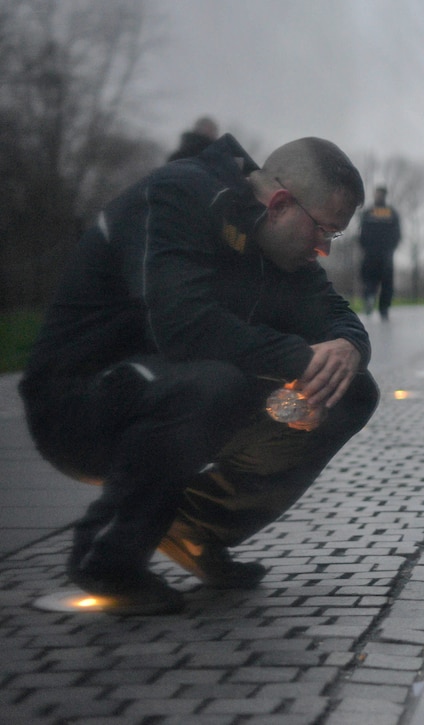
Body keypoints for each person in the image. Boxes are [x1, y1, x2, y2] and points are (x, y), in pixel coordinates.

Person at [19, 134, 380, 615]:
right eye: (323, 232)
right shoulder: (179, 196)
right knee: (214, 384)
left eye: (332, 237)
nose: (323, 250)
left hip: (185, 392)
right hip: (80, 402)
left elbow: (334, 312)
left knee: (348, 392)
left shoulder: (281, 247)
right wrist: (301, 359)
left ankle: (196, 530)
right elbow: (184, 328)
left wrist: (348, 348)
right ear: (278, 204)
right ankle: (106, 557)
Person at [357, 185, 401, 321]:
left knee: (373, 280)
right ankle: (381, 307)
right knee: (382, 281)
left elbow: (362, 233)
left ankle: (374, 302)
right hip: (381, 253)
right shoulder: (390, 212)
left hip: (375, 252)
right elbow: (397, 234)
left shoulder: (369, 212)